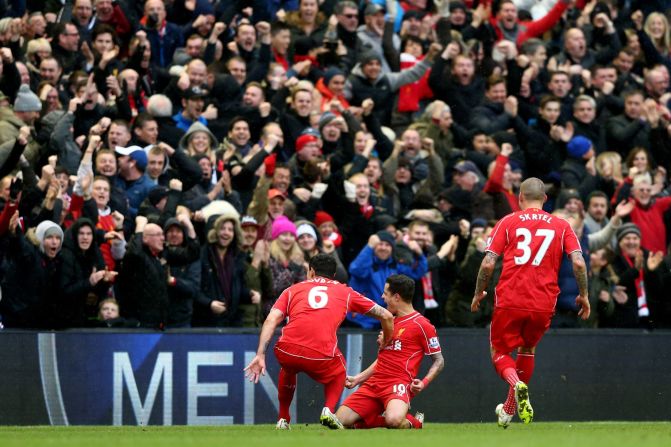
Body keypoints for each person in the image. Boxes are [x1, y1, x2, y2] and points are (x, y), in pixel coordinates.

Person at [470, 177, 590, 428]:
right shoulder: (562, 225)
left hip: (511, 297)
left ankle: (516, 385)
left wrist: (479, 292)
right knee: (527, 349)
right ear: (545, 199)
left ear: (520, 198)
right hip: (544, 301)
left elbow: (488, 262)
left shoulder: (508, 221)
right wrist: (584, 295)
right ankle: (509, 409)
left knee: (500, 352)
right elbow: (578, 262)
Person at [244, 253, 394, 430]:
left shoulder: (292, 290)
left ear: (311, 272)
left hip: (286, 350)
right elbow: (386, 315)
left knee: (288, 368)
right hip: (320, 354)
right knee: (339, 370)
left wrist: (260, 354)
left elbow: (271, 320)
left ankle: (283, 419)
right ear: (334, 275)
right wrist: (387, 340)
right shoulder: (345, 292)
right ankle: (328, 411)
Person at [335, 274, 444, 429]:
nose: (382, 297)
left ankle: (414, 422)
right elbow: (384, 359)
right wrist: (358, 379)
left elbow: (439, 360)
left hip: (398, 383)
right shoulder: (389, 322)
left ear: (396, 297)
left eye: (385, 293)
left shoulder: (422, 325)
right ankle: (382, 418)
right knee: (341, 420)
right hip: (374, 383)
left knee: (393, 420)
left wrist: (424, 382)